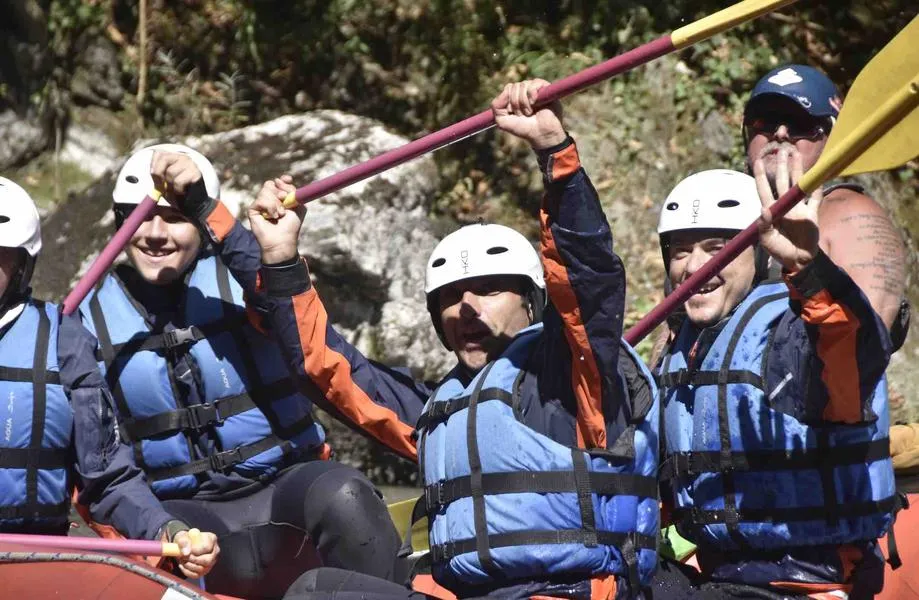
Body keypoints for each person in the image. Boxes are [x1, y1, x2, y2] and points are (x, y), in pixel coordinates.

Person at [240, 79, 660, 600]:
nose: (467, 307)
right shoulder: (436, 410)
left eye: (490, 290)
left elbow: (589, 280)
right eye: (451, 297)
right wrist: (280, 259)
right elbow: (323, 367)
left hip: (562, 592)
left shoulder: (573, 379)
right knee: (319, 591)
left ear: (533, 303)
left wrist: (555, 152)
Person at [76, 144, 402, 599]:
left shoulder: (249, 283)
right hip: (186, 516)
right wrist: (162, 527)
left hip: (286, 488)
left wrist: (212, 211)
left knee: (346, 494)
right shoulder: (82, 326)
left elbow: (284, 305)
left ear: (200, 222)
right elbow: (102, 469)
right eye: (139, 218)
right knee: (161, 556)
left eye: (174, 218)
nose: (154, 234)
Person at [652, 163, 897, 598]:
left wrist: (809, 271)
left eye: (718, 248)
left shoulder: (792, 334)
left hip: (809, 580)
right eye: (680, 251)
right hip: (722, 577)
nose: (695, 266)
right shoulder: (681, 352)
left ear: (761, 256)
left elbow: (849, 349)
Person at [743, 64, 914, 597]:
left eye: (801, 125)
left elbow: (856, 353)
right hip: (739, 523)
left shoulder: (849, 214)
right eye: (765, 122)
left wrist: (807, 265)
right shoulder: (723, 237)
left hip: (820, 536)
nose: (779, 134)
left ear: (834, 139)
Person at [0, 176, 213, 578]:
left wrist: (166, 529)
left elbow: (108, 478)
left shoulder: (63, 340)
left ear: (23, 266)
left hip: (31, 561)